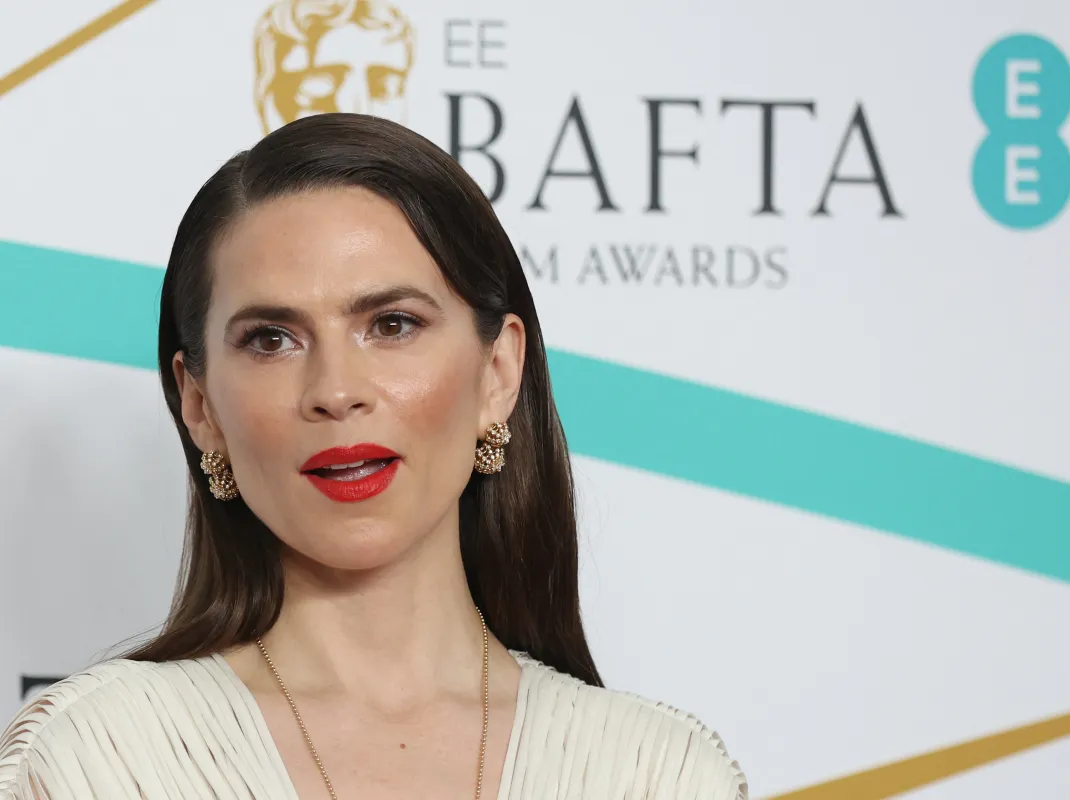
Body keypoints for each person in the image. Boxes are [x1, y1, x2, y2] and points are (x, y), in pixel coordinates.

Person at [0, 113, 748, 799]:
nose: (335, 391)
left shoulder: (657, 774)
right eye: (271, 339)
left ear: (498, 374)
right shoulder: (94, 761)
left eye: (391, 324)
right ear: (201, 406)